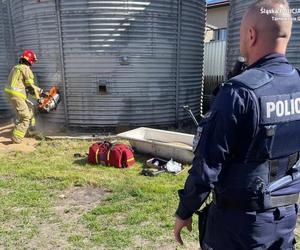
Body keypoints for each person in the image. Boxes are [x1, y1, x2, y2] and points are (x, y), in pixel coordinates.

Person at [174, 0, 300, 249]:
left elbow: (208, 164)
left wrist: (185, 211)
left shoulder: (239, 92)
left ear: (251, 35)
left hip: (238, 226)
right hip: (284, 218)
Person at [4, 50, 43, 144]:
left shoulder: (16, 67)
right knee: (25, 117)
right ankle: (16, 138)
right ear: (30, 60)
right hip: (17, 96)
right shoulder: (26, 69)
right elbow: (30, 87)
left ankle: (31, 130)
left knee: (30, 108)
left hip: (12, 94)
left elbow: (24, 84)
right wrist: (39, 99)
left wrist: (41, 92)